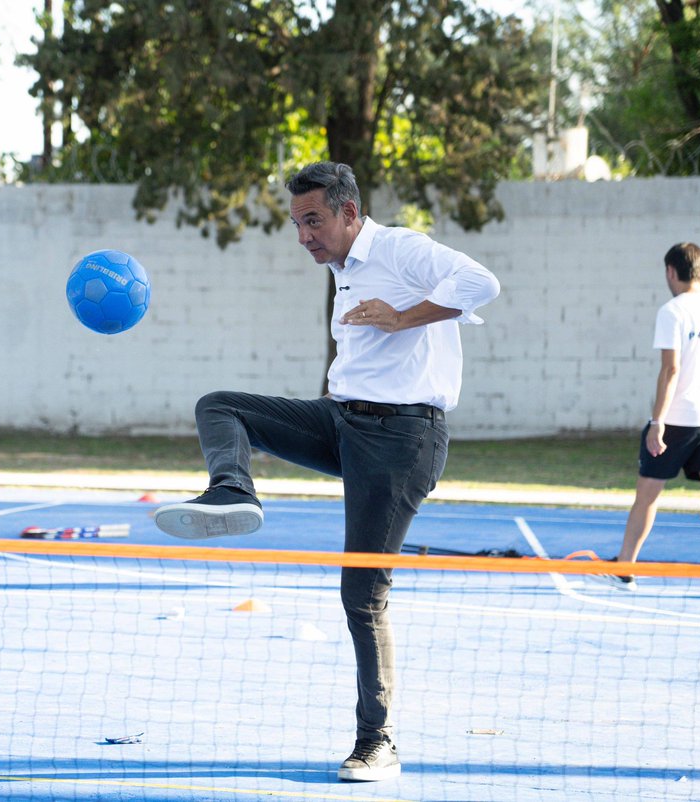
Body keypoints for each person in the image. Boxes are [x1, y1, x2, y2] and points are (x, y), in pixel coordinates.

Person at [154, 161, 500, 782]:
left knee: (362, 593)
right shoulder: (343, 270)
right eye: (296, 223)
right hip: (342, 421)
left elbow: (482, 284)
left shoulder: (400, 248)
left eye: (312, 220)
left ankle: (379, 741)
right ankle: (232, 490)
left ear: (348, 213)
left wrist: (403, 316)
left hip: (403, 438)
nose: (303, 236)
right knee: (221, 406)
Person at [601, 243, 700, 599]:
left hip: (678, 420)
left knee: (647, 496)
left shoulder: (672, 311)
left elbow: (670, 369)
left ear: (671, 271)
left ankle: (624, 570)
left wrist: (657, 421)